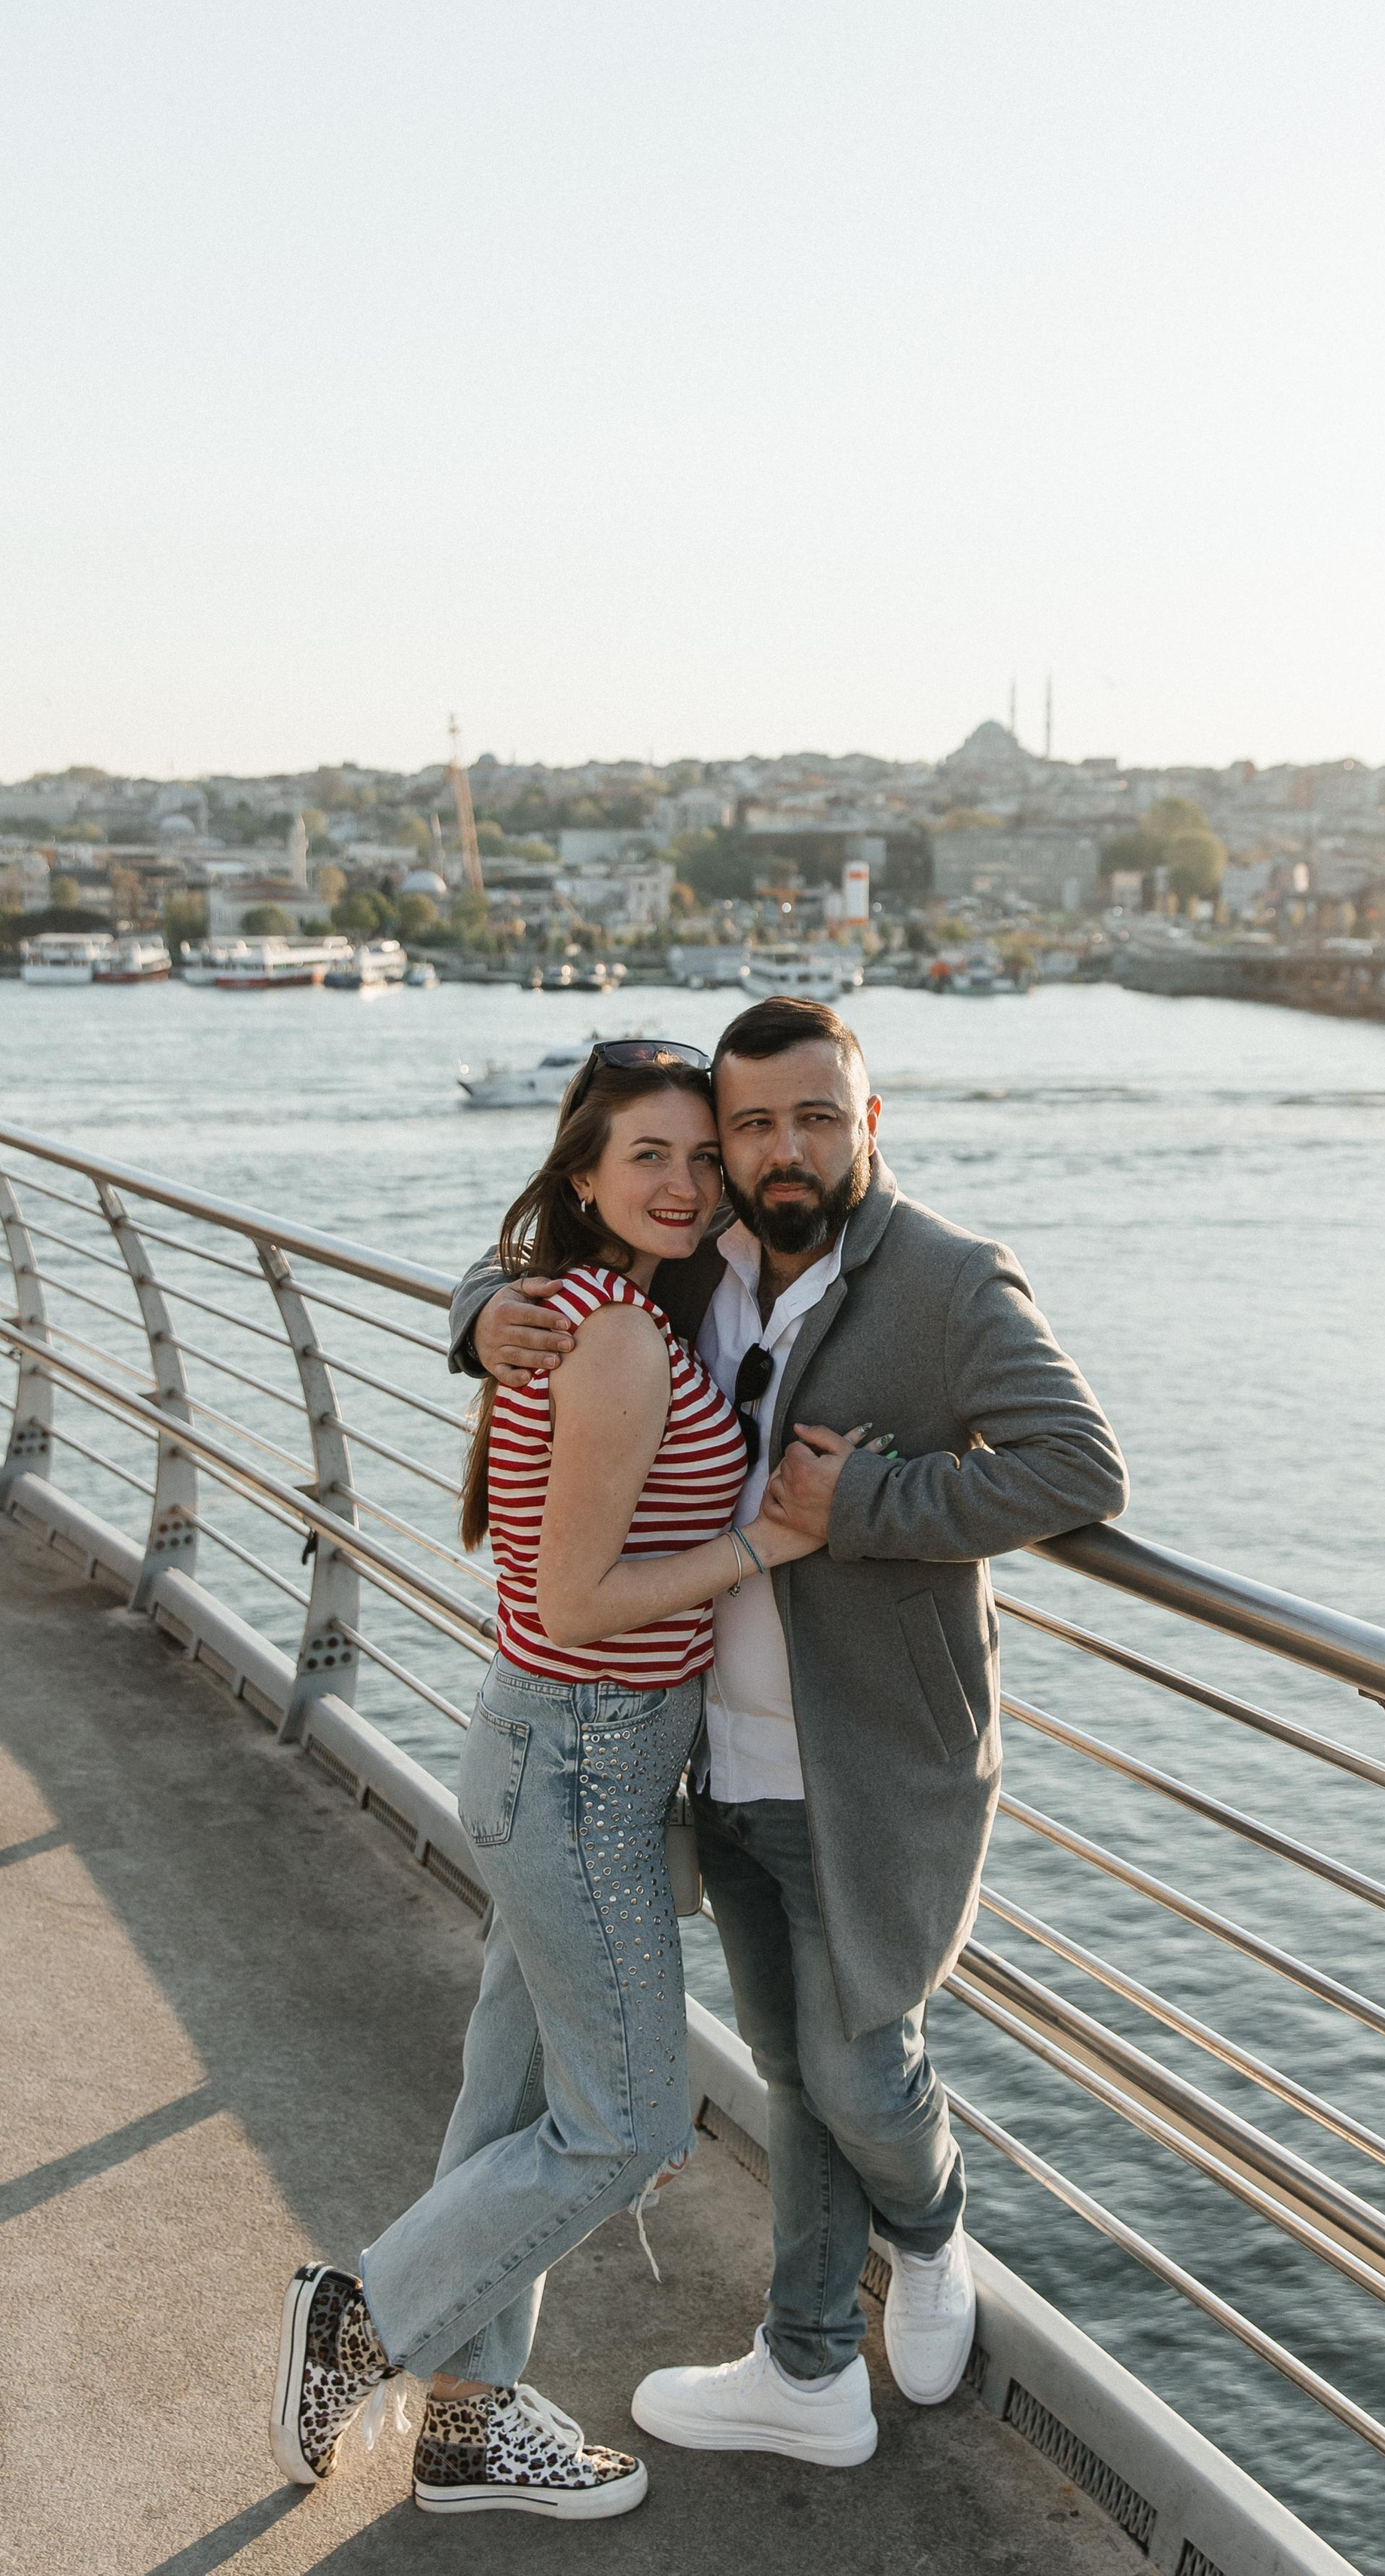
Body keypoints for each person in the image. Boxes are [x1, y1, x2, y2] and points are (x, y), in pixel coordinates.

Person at [453, 996, 1127, 2467]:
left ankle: (934, 2228)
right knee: (782, 2066)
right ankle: (808, 2368)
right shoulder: (701, 1264)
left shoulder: (945, 1283)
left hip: (868, 1761)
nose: (777, 1149)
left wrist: (861, 1509)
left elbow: (1075, 1469)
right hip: (710, 1751)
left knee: (856, 2066)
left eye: (813, 1117)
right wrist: (477, 1308)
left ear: (867, 1124)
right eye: (750, 1123)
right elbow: (566, 1269)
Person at [271, 1046, 840, 2519]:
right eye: (646, 1156)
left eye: (701, 1158)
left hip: (574, 1752)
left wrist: (480, 1297)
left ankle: (463, 2428)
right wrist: (767, 1545)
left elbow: (811, 1200)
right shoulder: (617, 1337)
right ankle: (362, 2321)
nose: (686, 1183)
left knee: (512, 2088)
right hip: (581, 1747)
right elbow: (586, 1601)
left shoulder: (613, 1296)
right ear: (581, 1179)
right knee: (630, 2119)